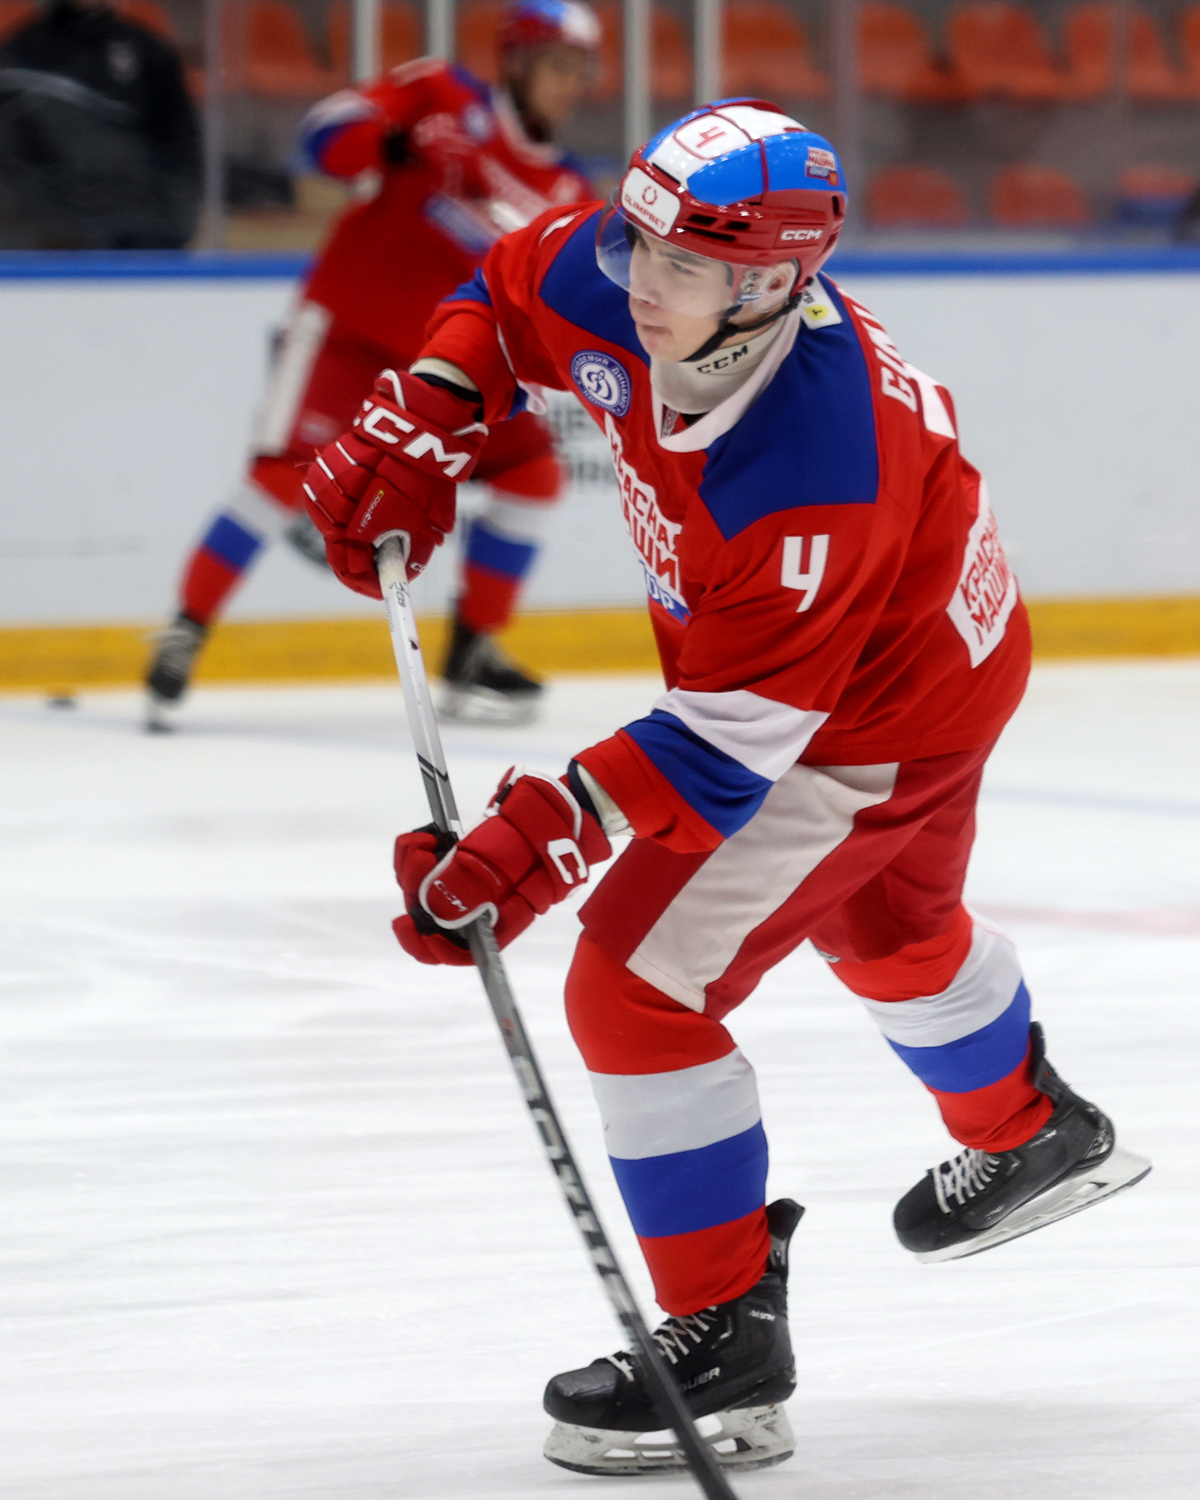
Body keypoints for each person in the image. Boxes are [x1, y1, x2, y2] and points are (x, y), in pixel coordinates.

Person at [301, 100, 1152, 1476]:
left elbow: (726, 746)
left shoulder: (814, 465)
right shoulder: (636, 281)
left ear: (771, 286)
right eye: (642, 244)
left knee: (635, 981)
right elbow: (505, 292)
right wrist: (439, 403)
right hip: (937, 660)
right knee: (885, 924)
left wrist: (542, 836)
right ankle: (1032, 1127)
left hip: (866, 714)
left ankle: (725, 1345)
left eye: (687, 266)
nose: (643, 283)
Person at [143, 0, 599, 730]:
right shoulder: (440, 92)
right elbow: (324, 139)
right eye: (558, 65)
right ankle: (184, 630)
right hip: (350, 332)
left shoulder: (569, 192)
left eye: (581, 70)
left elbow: (551, 303)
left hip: (448, 369)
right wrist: (391, 137)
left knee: (533, 473)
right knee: (280, 476)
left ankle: (471, 652)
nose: (572, 84)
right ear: (516, 62)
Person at [0, 0, 200, 249]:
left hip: (141, 241)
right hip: (51, 247)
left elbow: (181, 147)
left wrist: (168, 228)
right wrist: (51, 230)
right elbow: (10, 163)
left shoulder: (148, 52)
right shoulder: (19, 55)